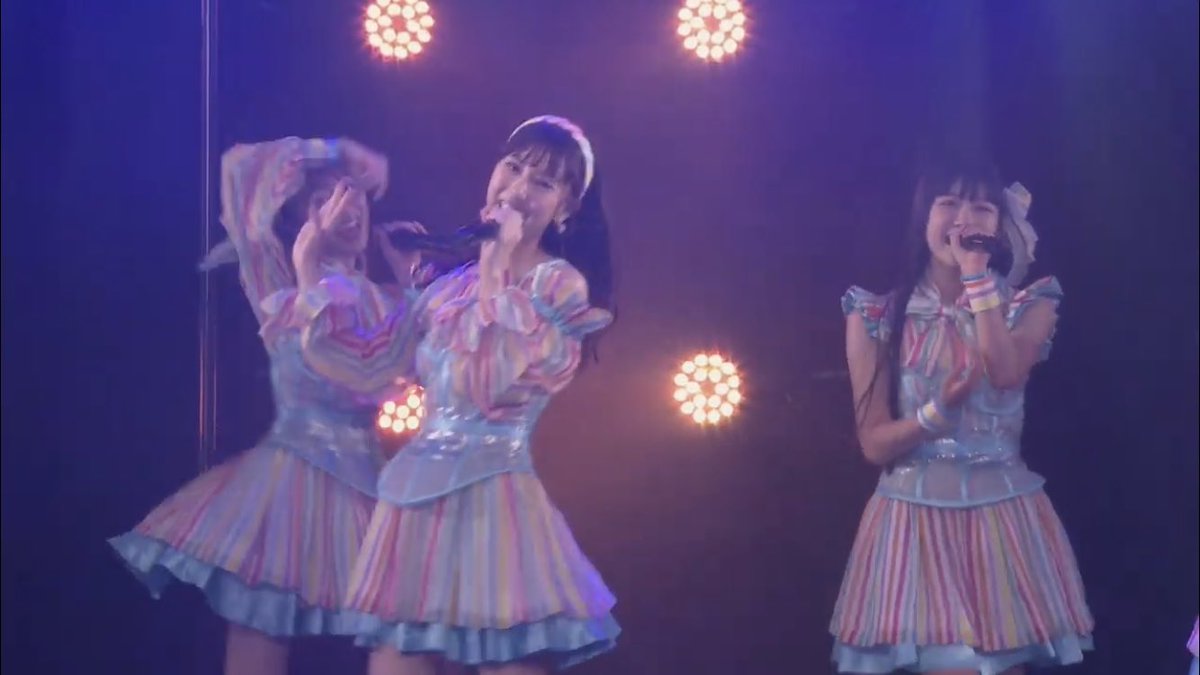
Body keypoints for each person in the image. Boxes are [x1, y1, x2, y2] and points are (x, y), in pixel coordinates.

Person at [292, 115, 620, 674]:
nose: (518, 189)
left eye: (542, 182)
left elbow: (492, 381)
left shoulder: (558, 285)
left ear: (566, 207)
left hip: (495, 504)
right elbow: (365, 366)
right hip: (414, 504)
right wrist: (309, 265)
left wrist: (496, 265)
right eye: (513, 168)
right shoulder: (452, 286)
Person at [109, 136, 395, 675]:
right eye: (324, 198)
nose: (346, 206)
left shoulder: (382, 298)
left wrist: (409, 276)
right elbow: (241, 169)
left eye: (353, 194)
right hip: (288, 485)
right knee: (261, 630)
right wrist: (333, 151)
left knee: (401, 638)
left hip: (371, 487)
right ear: (301, 218)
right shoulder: (278, 279)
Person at [828, 159, 1094, 674]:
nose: (963, 218)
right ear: (924, 218)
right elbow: (874, 443)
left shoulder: (1030, 303)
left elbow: (1005, 370)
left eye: (981, 207)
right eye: (948, 203)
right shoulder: (876, 315)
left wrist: (976, 278)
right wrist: (936, 414)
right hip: (912, 518)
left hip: (1002, 516)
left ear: (1000, 227)